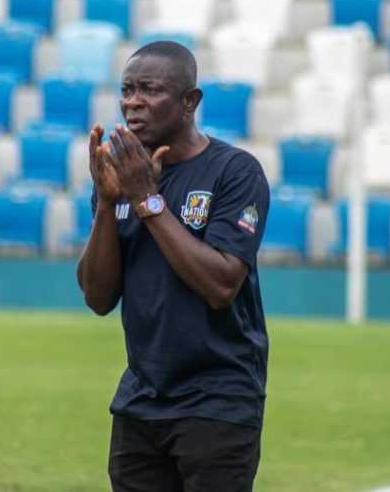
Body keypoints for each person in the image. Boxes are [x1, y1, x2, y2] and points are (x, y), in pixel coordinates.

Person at [77, 41, 271, 492]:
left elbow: (222, 284)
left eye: (149, 90)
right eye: (126, 90)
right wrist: (108, 204)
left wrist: (148, 200)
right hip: (141, 400)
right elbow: (98, 297)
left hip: (218, 401)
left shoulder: (234, 172)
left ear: (190, 102)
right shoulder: (121, 176)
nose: (132, 102)